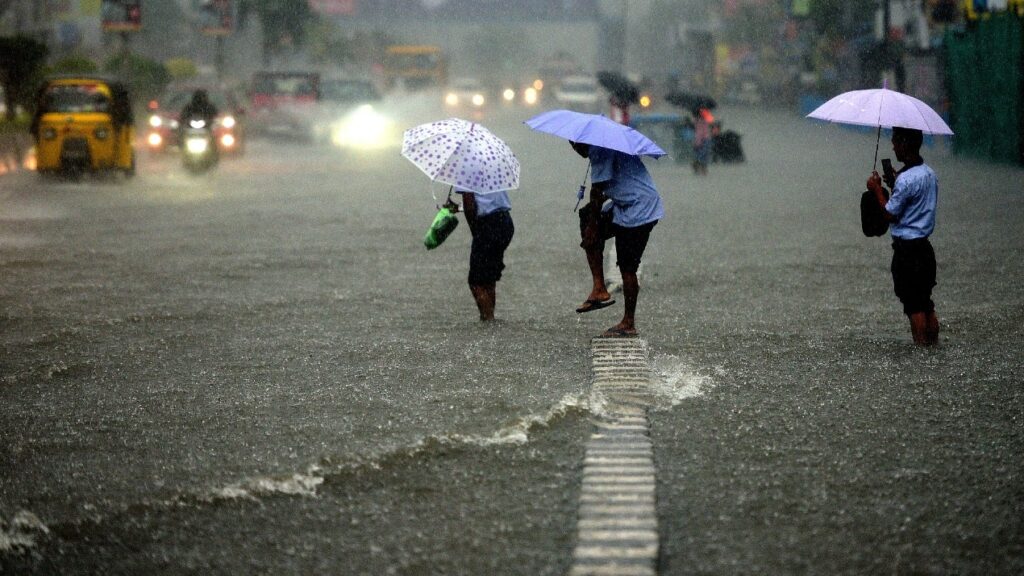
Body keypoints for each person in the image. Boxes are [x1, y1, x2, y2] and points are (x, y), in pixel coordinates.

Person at [570, 141, 663, 338]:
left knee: (627, 266)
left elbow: (597, 191)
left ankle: (628, 322)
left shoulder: (600, 150)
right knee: (587, 216)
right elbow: (605, 189)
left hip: (640, 209)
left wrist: (594, 230)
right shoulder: (602, 149)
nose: (575, 149)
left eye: (575, 145)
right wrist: (592, 225)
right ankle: (599, 288)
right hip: (625, 203)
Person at [866, 126, 940, 345]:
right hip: (925, 249)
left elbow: (890, 213)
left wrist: (877, 190)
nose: (893, 146)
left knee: (913, 305)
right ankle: (933, 349)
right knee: (926, 303)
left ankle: (921, 352)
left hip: (907, 251)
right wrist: (896, 183)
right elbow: (914, 198)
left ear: (906, 144)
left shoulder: (906, 180)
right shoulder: (929, 173)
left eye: (896, 141)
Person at [446, 189, 514, 322]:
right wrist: (460, 208)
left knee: (476, 282)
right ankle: (490, 319)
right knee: (488, 278)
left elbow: (470, 204)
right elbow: (488, 202)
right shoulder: (494, 168)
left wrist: (475, 232)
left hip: (488, 227)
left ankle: (488, 320)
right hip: (505, 222)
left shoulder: (467, 170)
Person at [692, 107, 712, 175]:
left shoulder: (699, 121)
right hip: (704, 139)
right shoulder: (699, 121)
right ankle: (701, 167)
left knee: (702, 155)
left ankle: (700, 167)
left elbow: (698, 132)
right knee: (703, 155)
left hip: (702, 139)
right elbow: (700, 132)